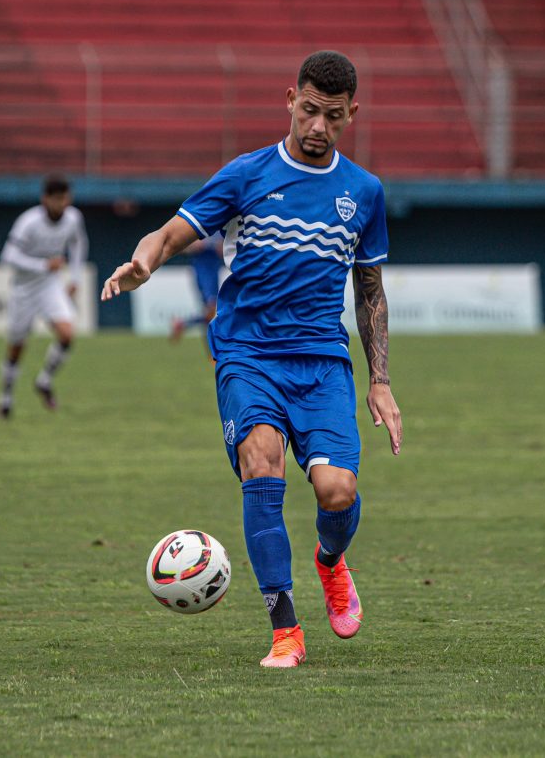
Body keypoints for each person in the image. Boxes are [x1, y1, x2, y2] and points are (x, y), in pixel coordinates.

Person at [101, 51, 402, 668]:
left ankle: (329, 561)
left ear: (352, 116)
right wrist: (144, 264)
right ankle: (285, 631)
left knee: (337, 491)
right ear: (290, 98)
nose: (319, 127)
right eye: (310, 110)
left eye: (334, 117)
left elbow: (369, 290)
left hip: (321, 362)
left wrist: (381, 381)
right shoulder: (246, 174)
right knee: (261, 463)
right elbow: (168, 233)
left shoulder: (364, 193)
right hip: (247, 355)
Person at [0, 173, 87, 419]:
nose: (61, 204)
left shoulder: (72, 219)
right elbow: (8, 256)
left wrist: (76, 278)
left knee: (67, 334)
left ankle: (44, 381)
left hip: (50, 285)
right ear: (45, 199)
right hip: (23, 289)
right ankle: (6, 397)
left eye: (65, 198)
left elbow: (79, 244)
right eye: (56, 199)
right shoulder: (28, 222)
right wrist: (43, 265)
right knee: (17, 346)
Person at [169, 232, 224, 345]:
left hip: (214, 270)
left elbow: (225, 249)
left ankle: (183, 324)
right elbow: (181, 246)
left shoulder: (220, 229)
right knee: (212, 307)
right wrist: (195, 245)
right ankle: (184, 324)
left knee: (211, 312)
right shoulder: (198, 224)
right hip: (202, 269)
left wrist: (221, 247)